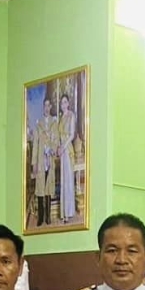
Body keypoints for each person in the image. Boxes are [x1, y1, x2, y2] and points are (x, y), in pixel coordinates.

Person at [31, 97, 57, 227]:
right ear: (43, 107)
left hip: (49, 159)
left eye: (48, 105)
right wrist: (34, 163)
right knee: (40, 188)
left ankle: (48, 216)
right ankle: (40, 217)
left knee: (48, 187)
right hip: (41, 161)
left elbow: (56, 140)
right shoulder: (39, 124)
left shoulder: (54, 123)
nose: (46, 108)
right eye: (44, 106)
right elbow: (35, 144)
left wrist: (51, 149)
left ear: (50, 107)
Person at [57, 93, 77, 222]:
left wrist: (63, 147)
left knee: (68, 180)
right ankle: (63, 212)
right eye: (61, 102)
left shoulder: (71, 115)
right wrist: (58, 147)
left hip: (68, 149)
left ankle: (69, 212)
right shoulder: (61, 118)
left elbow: (72, 135)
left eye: (65, 102)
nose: (63, 104)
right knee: (63, 180)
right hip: (62, 150)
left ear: (68, 103)